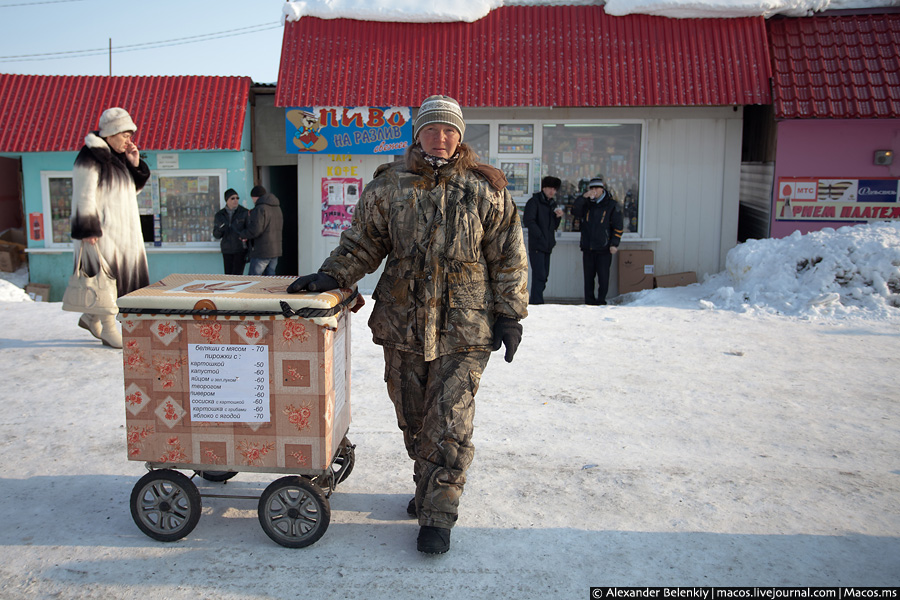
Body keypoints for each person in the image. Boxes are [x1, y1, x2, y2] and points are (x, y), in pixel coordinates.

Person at [286, 94, 528, 555]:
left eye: (450, 130)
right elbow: (363, 242)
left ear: (460, 136)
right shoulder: (388, 187)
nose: (441, 138)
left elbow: (509, 257)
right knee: (414, 421)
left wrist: (510, 314)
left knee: (450, 422)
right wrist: (334, 274)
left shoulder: (486, 188)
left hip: (465, 328)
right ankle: (428, 488)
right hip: (403, 324)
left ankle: (438, 515)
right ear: (418, 134)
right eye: (432, 130)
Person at [69, 107, 151, 348]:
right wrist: (88, 230)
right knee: (107, 279)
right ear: (112, 132)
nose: (129, 140)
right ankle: (108, 328)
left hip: (123, 232)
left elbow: (129, 192)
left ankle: (90, 317)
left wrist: (134, 164)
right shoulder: (91, 156)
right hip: (101, 233)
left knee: (116, 278)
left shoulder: (116, 159)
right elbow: (83, 196)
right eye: (125, 134)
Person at [572, 176, 624, 305]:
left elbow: (618, 226)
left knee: (603, 276)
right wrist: (583, 198)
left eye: (597, 188)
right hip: (588, 246)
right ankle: (589, 301)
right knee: (588, 277)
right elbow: (575, 211)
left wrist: (614, 244)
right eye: (592, 188)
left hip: (604, 247)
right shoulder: (587, 204)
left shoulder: (611, 204)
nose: (594, 191)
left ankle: (601, 301)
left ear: (602, 189)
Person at [523, 176, 563, 304]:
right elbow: (529, 221)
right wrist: (539, 235)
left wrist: (558, 217)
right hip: (537, 245)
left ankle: (537, 299)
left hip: (548, 245)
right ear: (544, 188)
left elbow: (553, 226)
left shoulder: (552, 204)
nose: (552, 191)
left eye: (554, 189)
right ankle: (537, 301)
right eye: (550, 188)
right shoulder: (534, 202)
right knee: (539, 274)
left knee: (544, 275)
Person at [239, 185, 283, 276]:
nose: (253, 201)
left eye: (252, 198)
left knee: (254, 278)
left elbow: (255, 230)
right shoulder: (277, 208)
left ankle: (251, 291)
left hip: (262, 251)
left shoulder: (260, 209)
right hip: (275, 250)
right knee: (270, 279)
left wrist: (243, 234)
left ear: (255, 197)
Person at [213, 188, 250, 275]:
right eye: (232, 198)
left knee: (237, 276)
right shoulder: (220, 215)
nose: (235, 200)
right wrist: (221, 228)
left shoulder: (244, 212)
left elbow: (249, 230)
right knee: (228, 276)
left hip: (240, 249)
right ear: (227, 200)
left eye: (237, 198)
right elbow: (216, 235)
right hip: (227, 250)